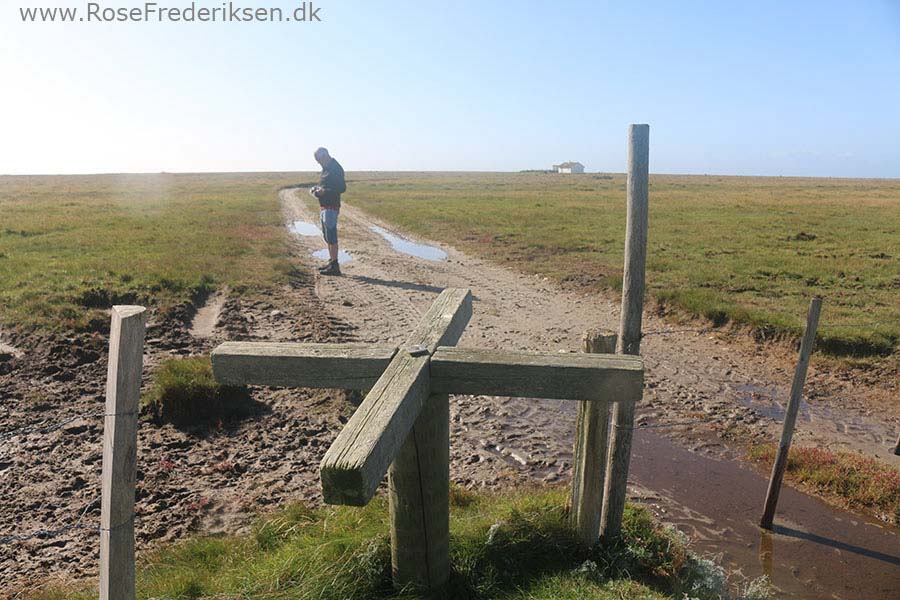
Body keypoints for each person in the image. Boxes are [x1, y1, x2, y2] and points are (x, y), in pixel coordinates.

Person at [311, 147, 346, 276]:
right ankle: (331, 261)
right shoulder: (326, 168)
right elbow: (327, 185)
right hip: (324, 206)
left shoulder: (335, 168)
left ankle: (335, 265)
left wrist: (325, 192)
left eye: (319, 160)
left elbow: (342, 188)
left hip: (331, 206)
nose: (319, 163)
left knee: (331, 235)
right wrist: (318, 190)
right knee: (327, 236)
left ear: (325, 156)